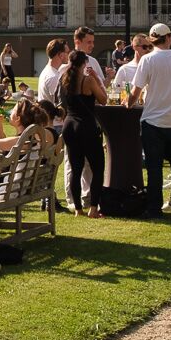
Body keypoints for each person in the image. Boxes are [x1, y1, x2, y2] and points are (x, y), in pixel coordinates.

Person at [135, 23, 171, 217]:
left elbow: (137, 88)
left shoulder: (147, 59)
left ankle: (154, 208)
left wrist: (129, 103)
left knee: (154, 168)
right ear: (168, 38)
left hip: (152, 120)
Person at [58, 34, 107, 218]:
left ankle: (78, 209)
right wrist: (97, 78)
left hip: (69, 125)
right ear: (84, 63)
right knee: (97, 168)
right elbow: (103, 100)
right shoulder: (88, 80)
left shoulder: (64, 79)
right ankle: (93, 208)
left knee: (75, 169)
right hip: (86, 125)